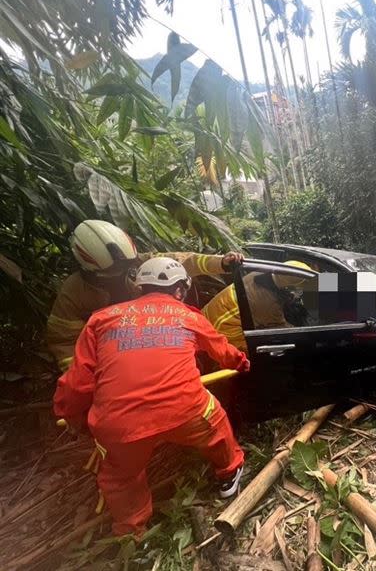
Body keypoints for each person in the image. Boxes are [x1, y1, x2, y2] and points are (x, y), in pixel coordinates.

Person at [53, 257, 250, 537]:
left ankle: (131, 533)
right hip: (185, 410)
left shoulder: (102, 319)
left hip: (119, 425)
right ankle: (230, 472)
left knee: (121, 478)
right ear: (180, 290)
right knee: (215, 422)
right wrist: (243, 364)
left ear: (138, 287)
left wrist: (71, 416)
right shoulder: (189, 316)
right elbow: (224, 352)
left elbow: (78, 381)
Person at [46, 220, 243, 372]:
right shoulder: (74, 292)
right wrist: (87, 376)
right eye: (116, 270)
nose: (124, 272)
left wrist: (220, 263)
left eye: (127, 267)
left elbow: (180, 261)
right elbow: (63, 342)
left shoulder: (135, 262)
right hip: (110, 359)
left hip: (156, 341)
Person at [202, 261, 313, 352]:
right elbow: (281, 328)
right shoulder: (269, 304)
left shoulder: (259, 272)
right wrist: (306, 333)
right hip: (220, 333)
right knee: (259, 354)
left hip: (205, 317)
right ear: (291, 285)